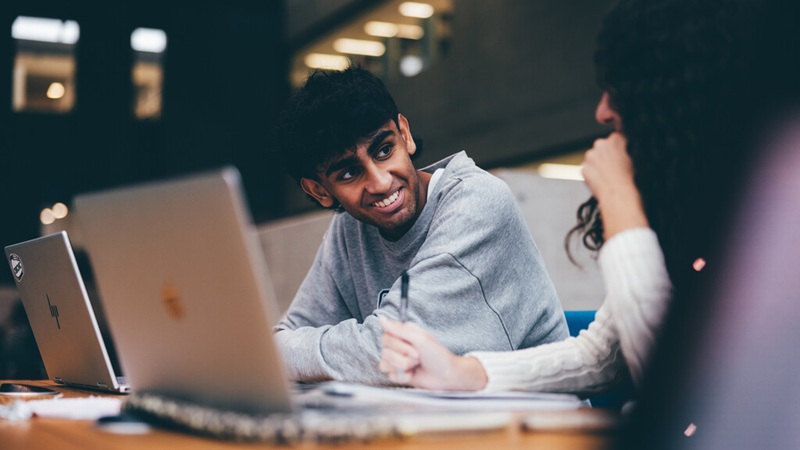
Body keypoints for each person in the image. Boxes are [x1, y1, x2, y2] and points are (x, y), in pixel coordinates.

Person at [379, 0, 751, 395]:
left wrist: (620, 199)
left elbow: (678, 392)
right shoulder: (683, 207)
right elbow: (601, 357)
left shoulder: (767, 220)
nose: (602, 111)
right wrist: (459, 372)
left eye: (621, 91)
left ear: (684, 100)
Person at [271, 66, 569, 384]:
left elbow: (390, 354)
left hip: (544, 423)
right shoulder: (350, 230)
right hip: (443, 422)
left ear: (405, 134)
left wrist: (295, 354)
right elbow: (279, 344)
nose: (381, 182)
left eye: (384, 150)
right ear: (319, 191)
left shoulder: (477, 203)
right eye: (348, 173)